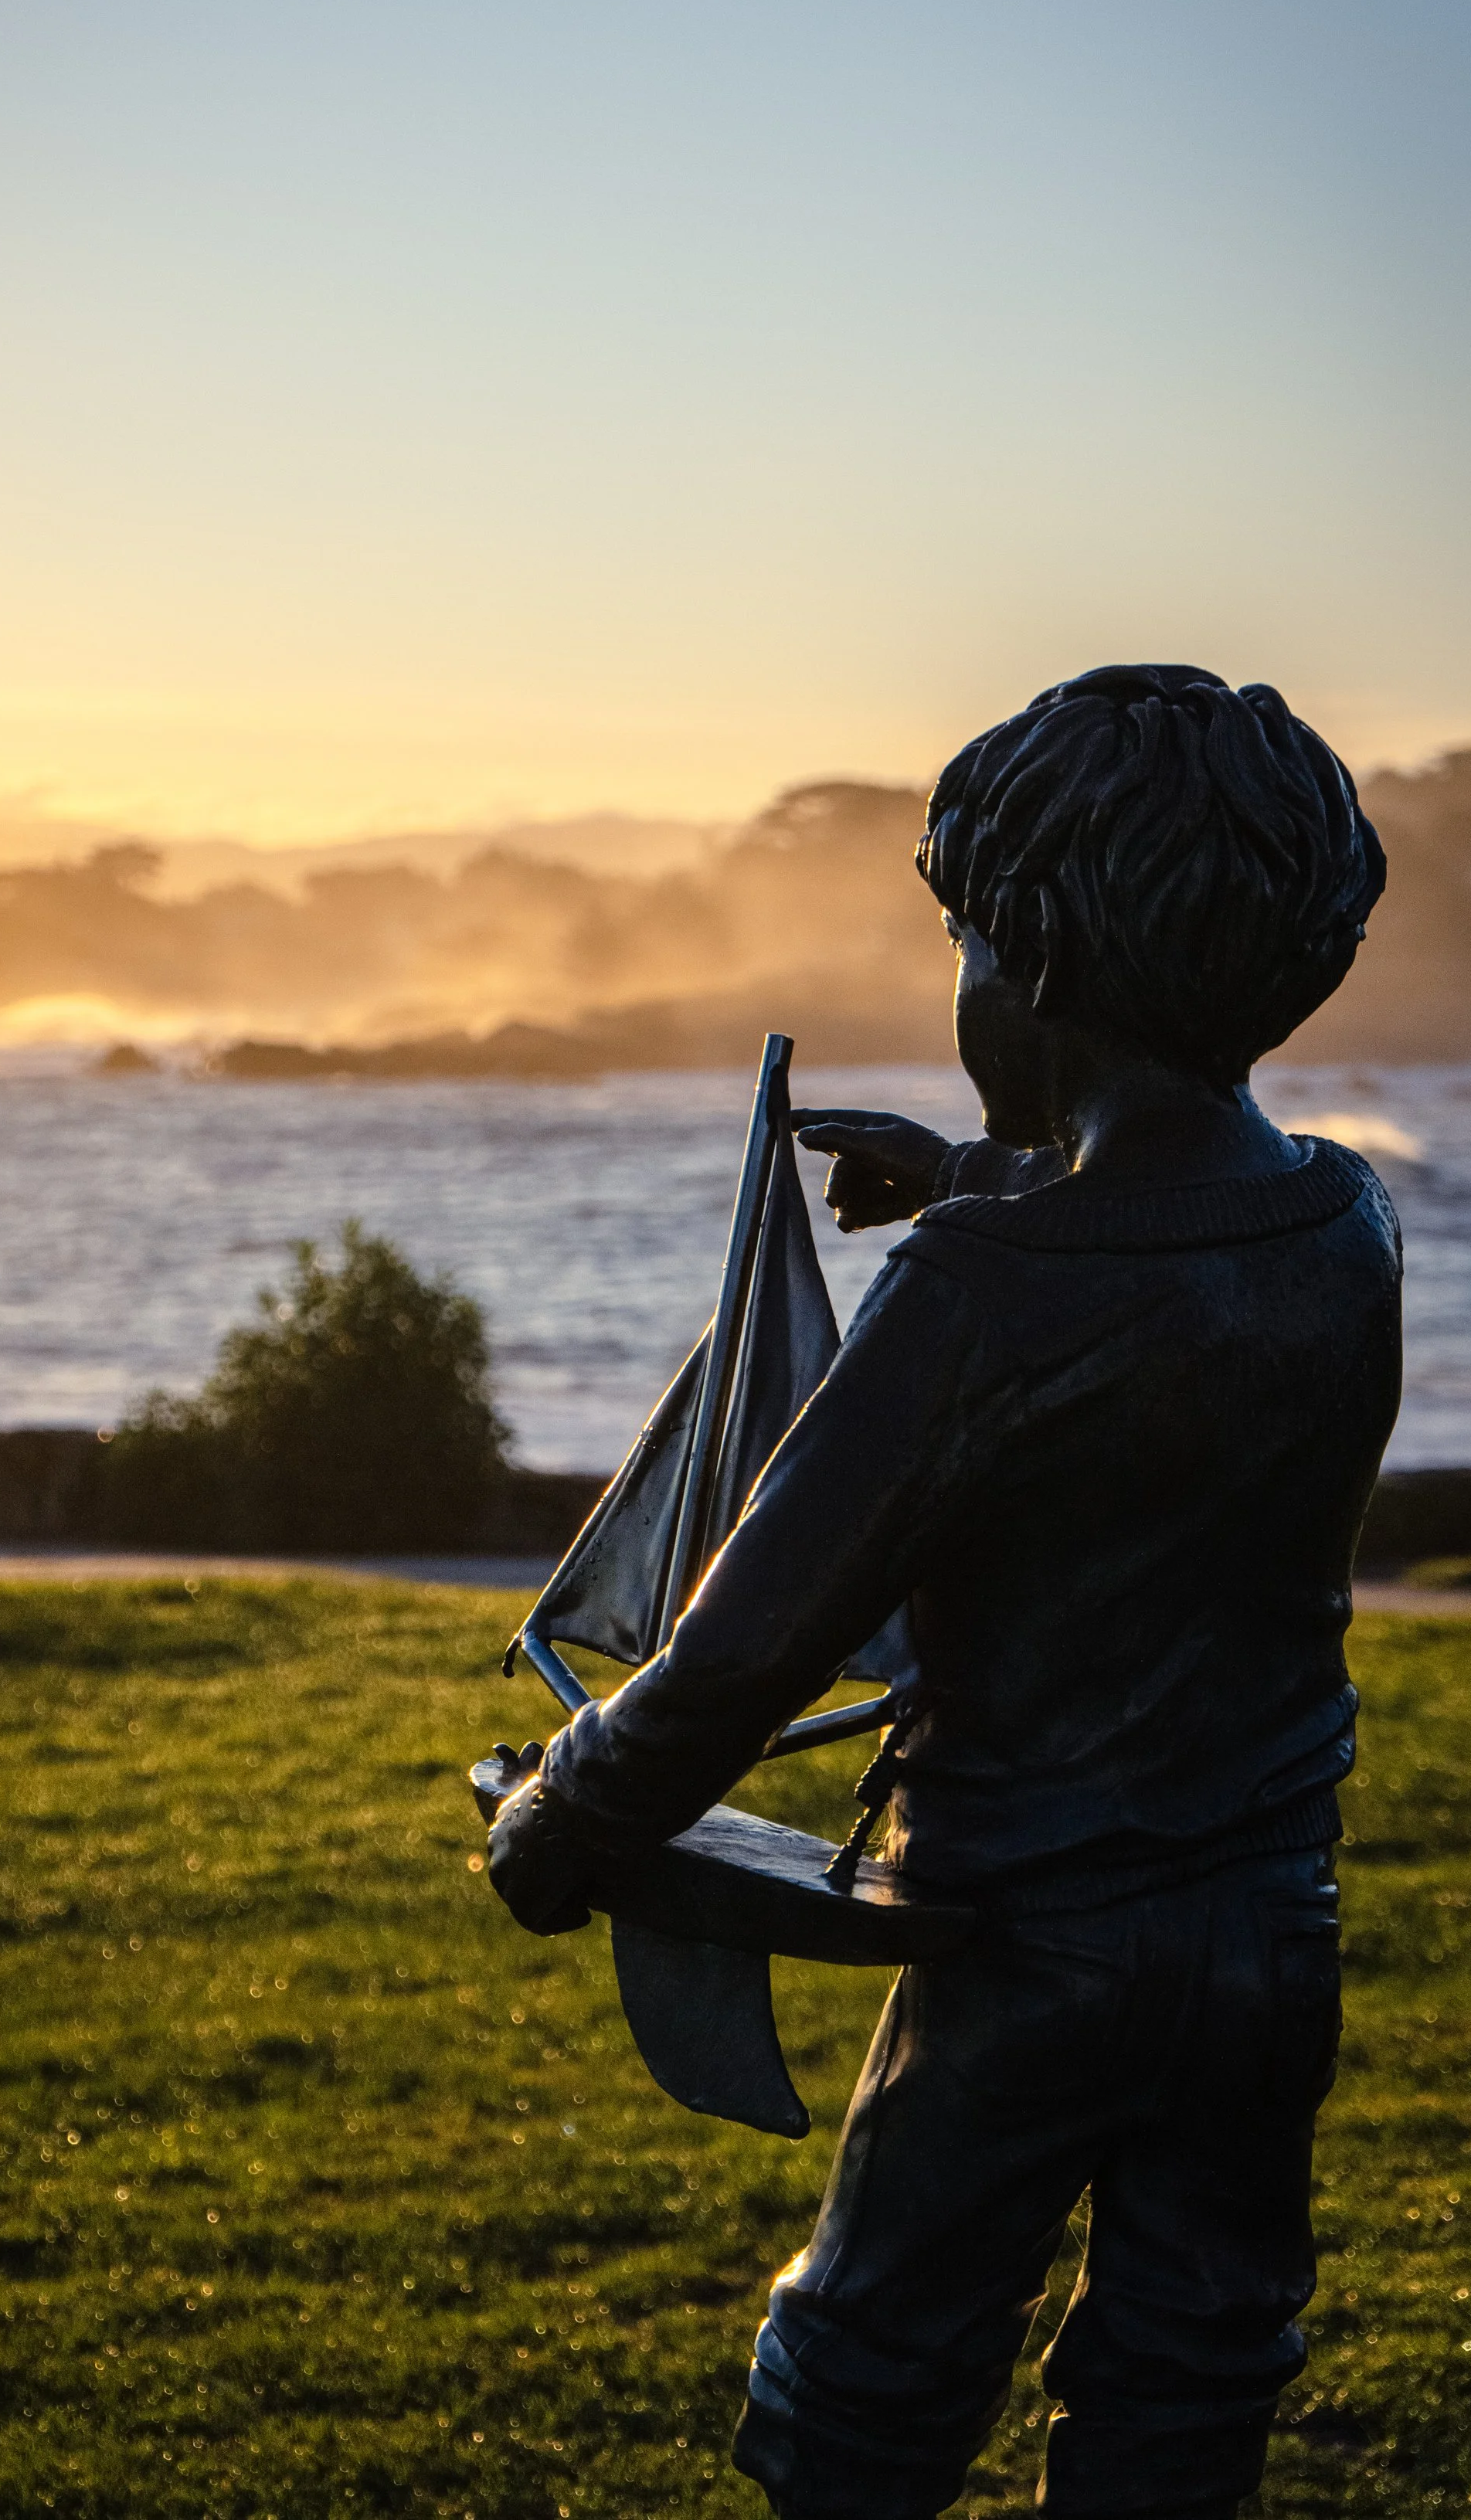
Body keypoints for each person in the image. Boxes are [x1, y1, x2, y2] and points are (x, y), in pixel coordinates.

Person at [487, 664, 1401, 2520]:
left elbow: (746, 1643)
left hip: (1027, 1955)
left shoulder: (977, 1296)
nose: (964, 982)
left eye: (974, 943)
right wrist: (979, 1163)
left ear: (1041, 959)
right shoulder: (1342, 1223)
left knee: (859, 2391)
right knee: (1186, 2376)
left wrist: (566, 1819)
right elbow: (1161, 1252)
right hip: (1264, 1937)